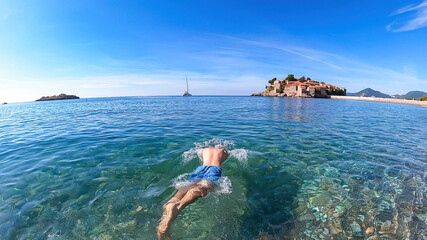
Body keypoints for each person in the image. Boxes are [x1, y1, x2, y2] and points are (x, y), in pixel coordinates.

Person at [157, 148, 229, 237]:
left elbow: (203, 161)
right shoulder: (222, 150)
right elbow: (225, 157)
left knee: (180, 194)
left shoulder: (204, 150)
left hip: (199, 170)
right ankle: (179, 207)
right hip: (213, 170)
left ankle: (168, 211)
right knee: (203, 187)